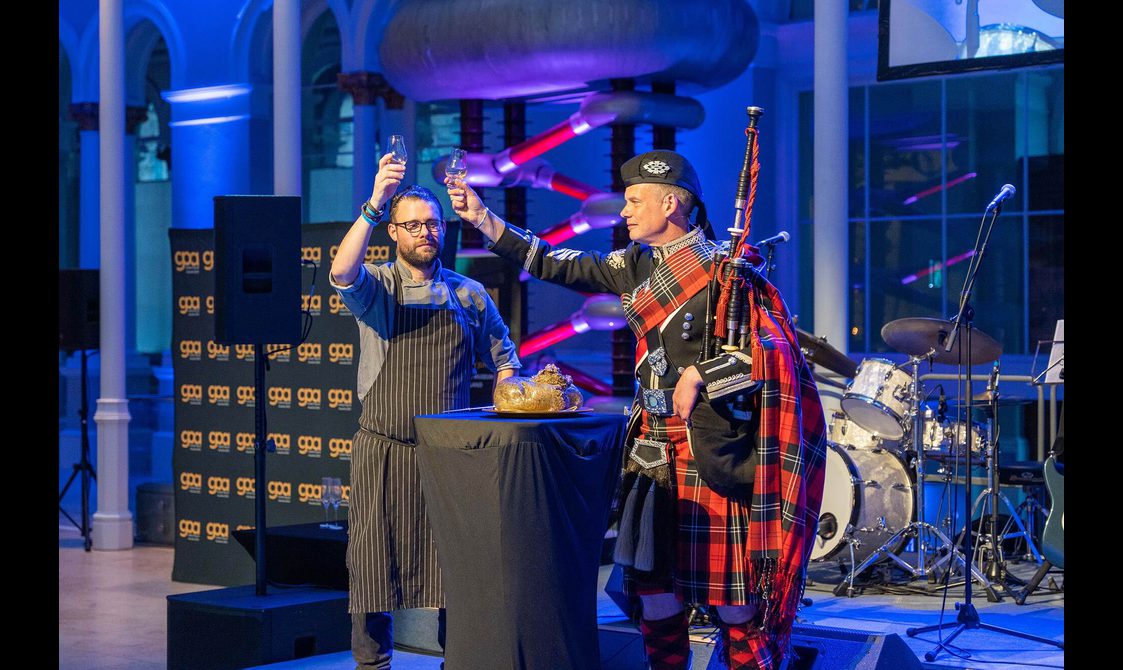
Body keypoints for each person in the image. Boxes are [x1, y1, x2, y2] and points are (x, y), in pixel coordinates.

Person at [446, 150, 827, 670]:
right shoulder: (633, 265)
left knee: (735, 604)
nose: (623, 212)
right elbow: (552, 261)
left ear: (671, 202)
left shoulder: (725, 270)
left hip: (711, 449)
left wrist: (702, 374)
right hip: (651, 447)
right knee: (654, 594)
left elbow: (769, 357)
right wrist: (482, 219)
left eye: (633, 200)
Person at [331, 153, 521, 669]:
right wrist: (374, 202)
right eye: (412, 225)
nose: (424, 233)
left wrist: (508, 383)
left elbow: (506, 359)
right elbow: (340, 271)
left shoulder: (470, 294)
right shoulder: (378, 288)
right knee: (371, 572)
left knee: (453, 574)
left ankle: (455, 661)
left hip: (448, 461)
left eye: (432, 224)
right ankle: (373, 665)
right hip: (383, 454)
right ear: (393, 232)